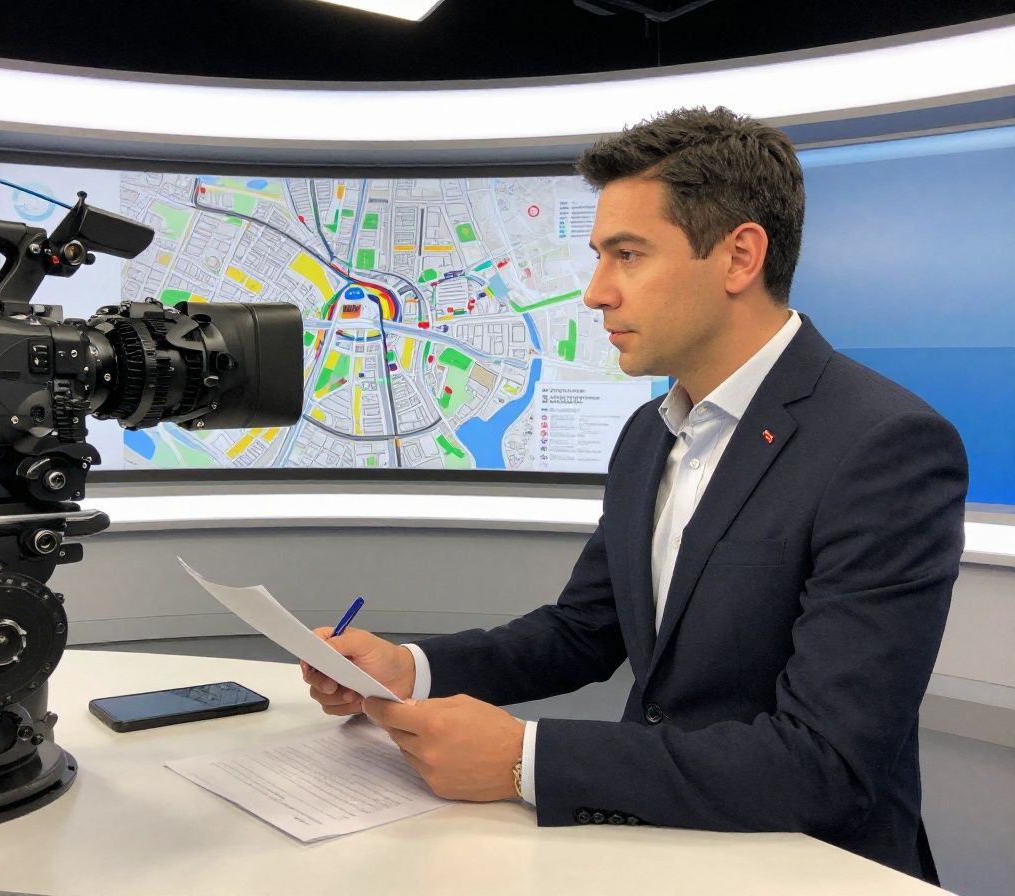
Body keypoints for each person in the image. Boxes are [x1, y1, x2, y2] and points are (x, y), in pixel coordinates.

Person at [301, 107, 967, 883]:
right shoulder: (651, 432)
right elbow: (586, 630)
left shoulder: (886, 447)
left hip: (812, 870)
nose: (594, 293)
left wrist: (526, 759)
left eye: (627, 255)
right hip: (655, 851)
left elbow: (824, 764)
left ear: (739, 256)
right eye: (598, 257)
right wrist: (409, 668)